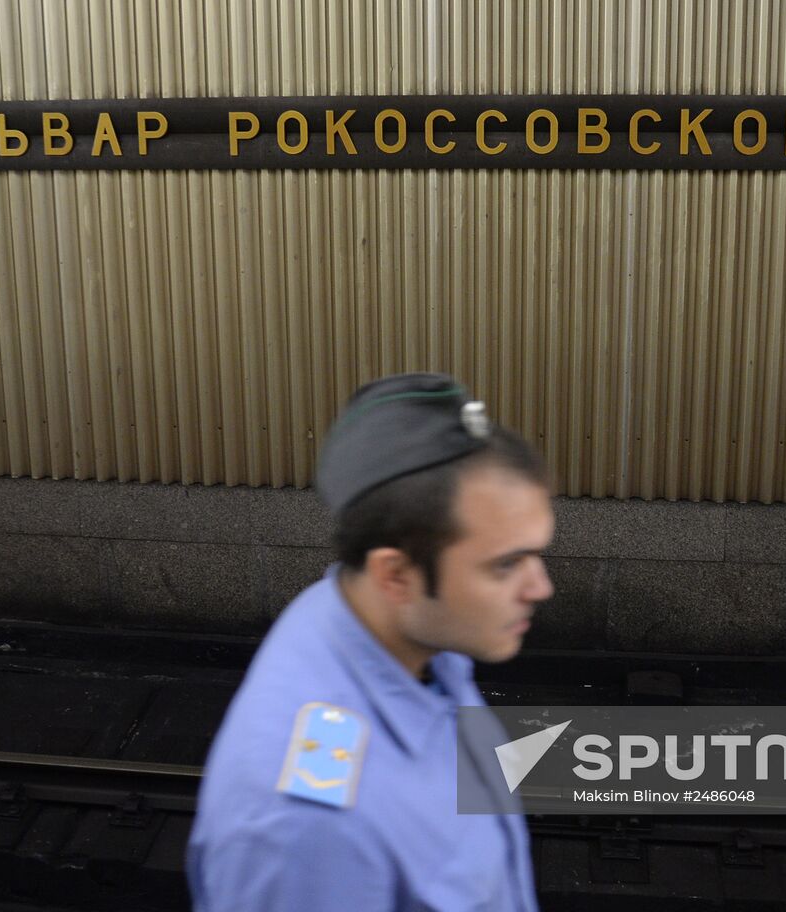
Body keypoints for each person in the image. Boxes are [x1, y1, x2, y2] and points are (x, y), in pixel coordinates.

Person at [187, 372, 554, 911]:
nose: (540, 587)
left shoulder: (384, 625)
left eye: (536, 553)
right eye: (505, 565)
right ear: (396, 576)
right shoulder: (309, 830)